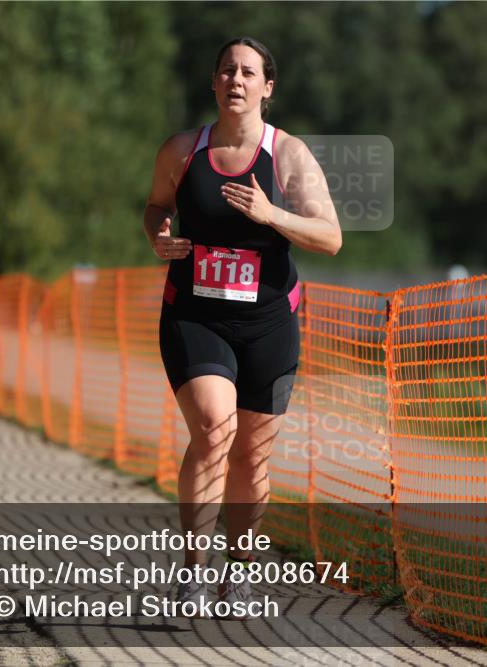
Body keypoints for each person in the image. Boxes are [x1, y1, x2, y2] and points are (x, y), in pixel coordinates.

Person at [143, 37, 341, 615]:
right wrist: (156, 235)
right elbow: (155, 207)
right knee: (212, 428)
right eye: (226, 70)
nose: (236, 79)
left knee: (252, 457)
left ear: (267, 86)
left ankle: (241, 573)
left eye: (248, 72)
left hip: (269, 324)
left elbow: (329, 237)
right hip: (195, 314)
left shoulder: (288, 156)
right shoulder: (182, 151)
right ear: (213, 82)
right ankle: (194, 575)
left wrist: (271, 214)